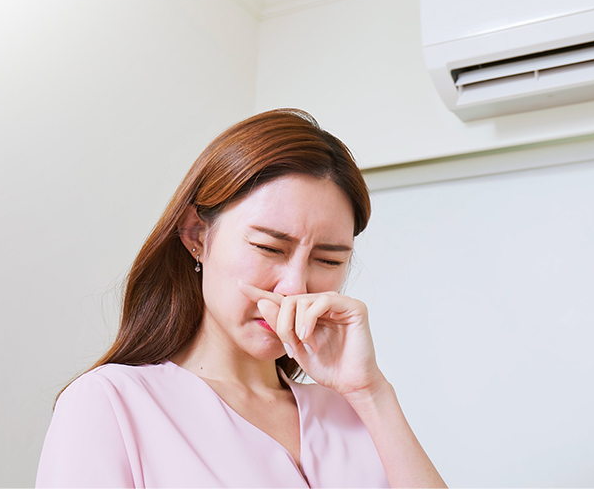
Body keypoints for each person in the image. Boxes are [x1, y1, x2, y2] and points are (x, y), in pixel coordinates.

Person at [36, 109, 445, 488]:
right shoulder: (111, 403)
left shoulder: (354, 412)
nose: (294, 288)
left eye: (327, 259)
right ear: (197, 234)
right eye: (269, 248)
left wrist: (371, 392)